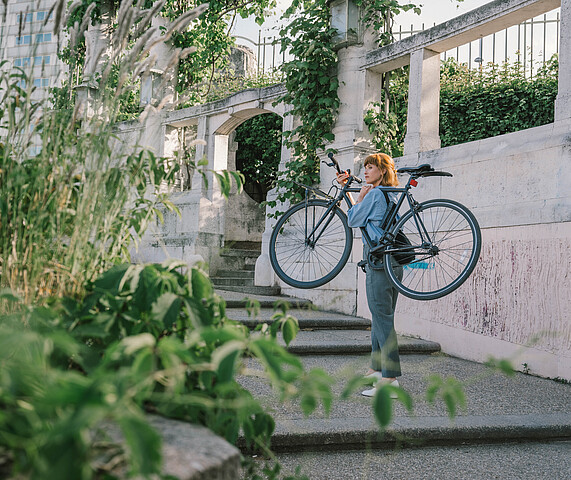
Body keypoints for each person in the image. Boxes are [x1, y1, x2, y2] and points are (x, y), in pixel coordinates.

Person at [336, 153, 404, 397]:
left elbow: (353, 219)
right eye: (365, 167)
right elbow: (364, 218)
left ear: (382, 171)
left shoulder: (374, 194)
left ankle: (390, 379)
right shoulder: (387, 194)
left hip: (379, 265)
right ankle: (377, 369)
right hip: (392, 264)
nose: (366, 171)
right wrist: (355, 193)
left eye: (371, 167)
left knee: (383, 320)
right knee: (380, 316)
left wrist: (359, 195)